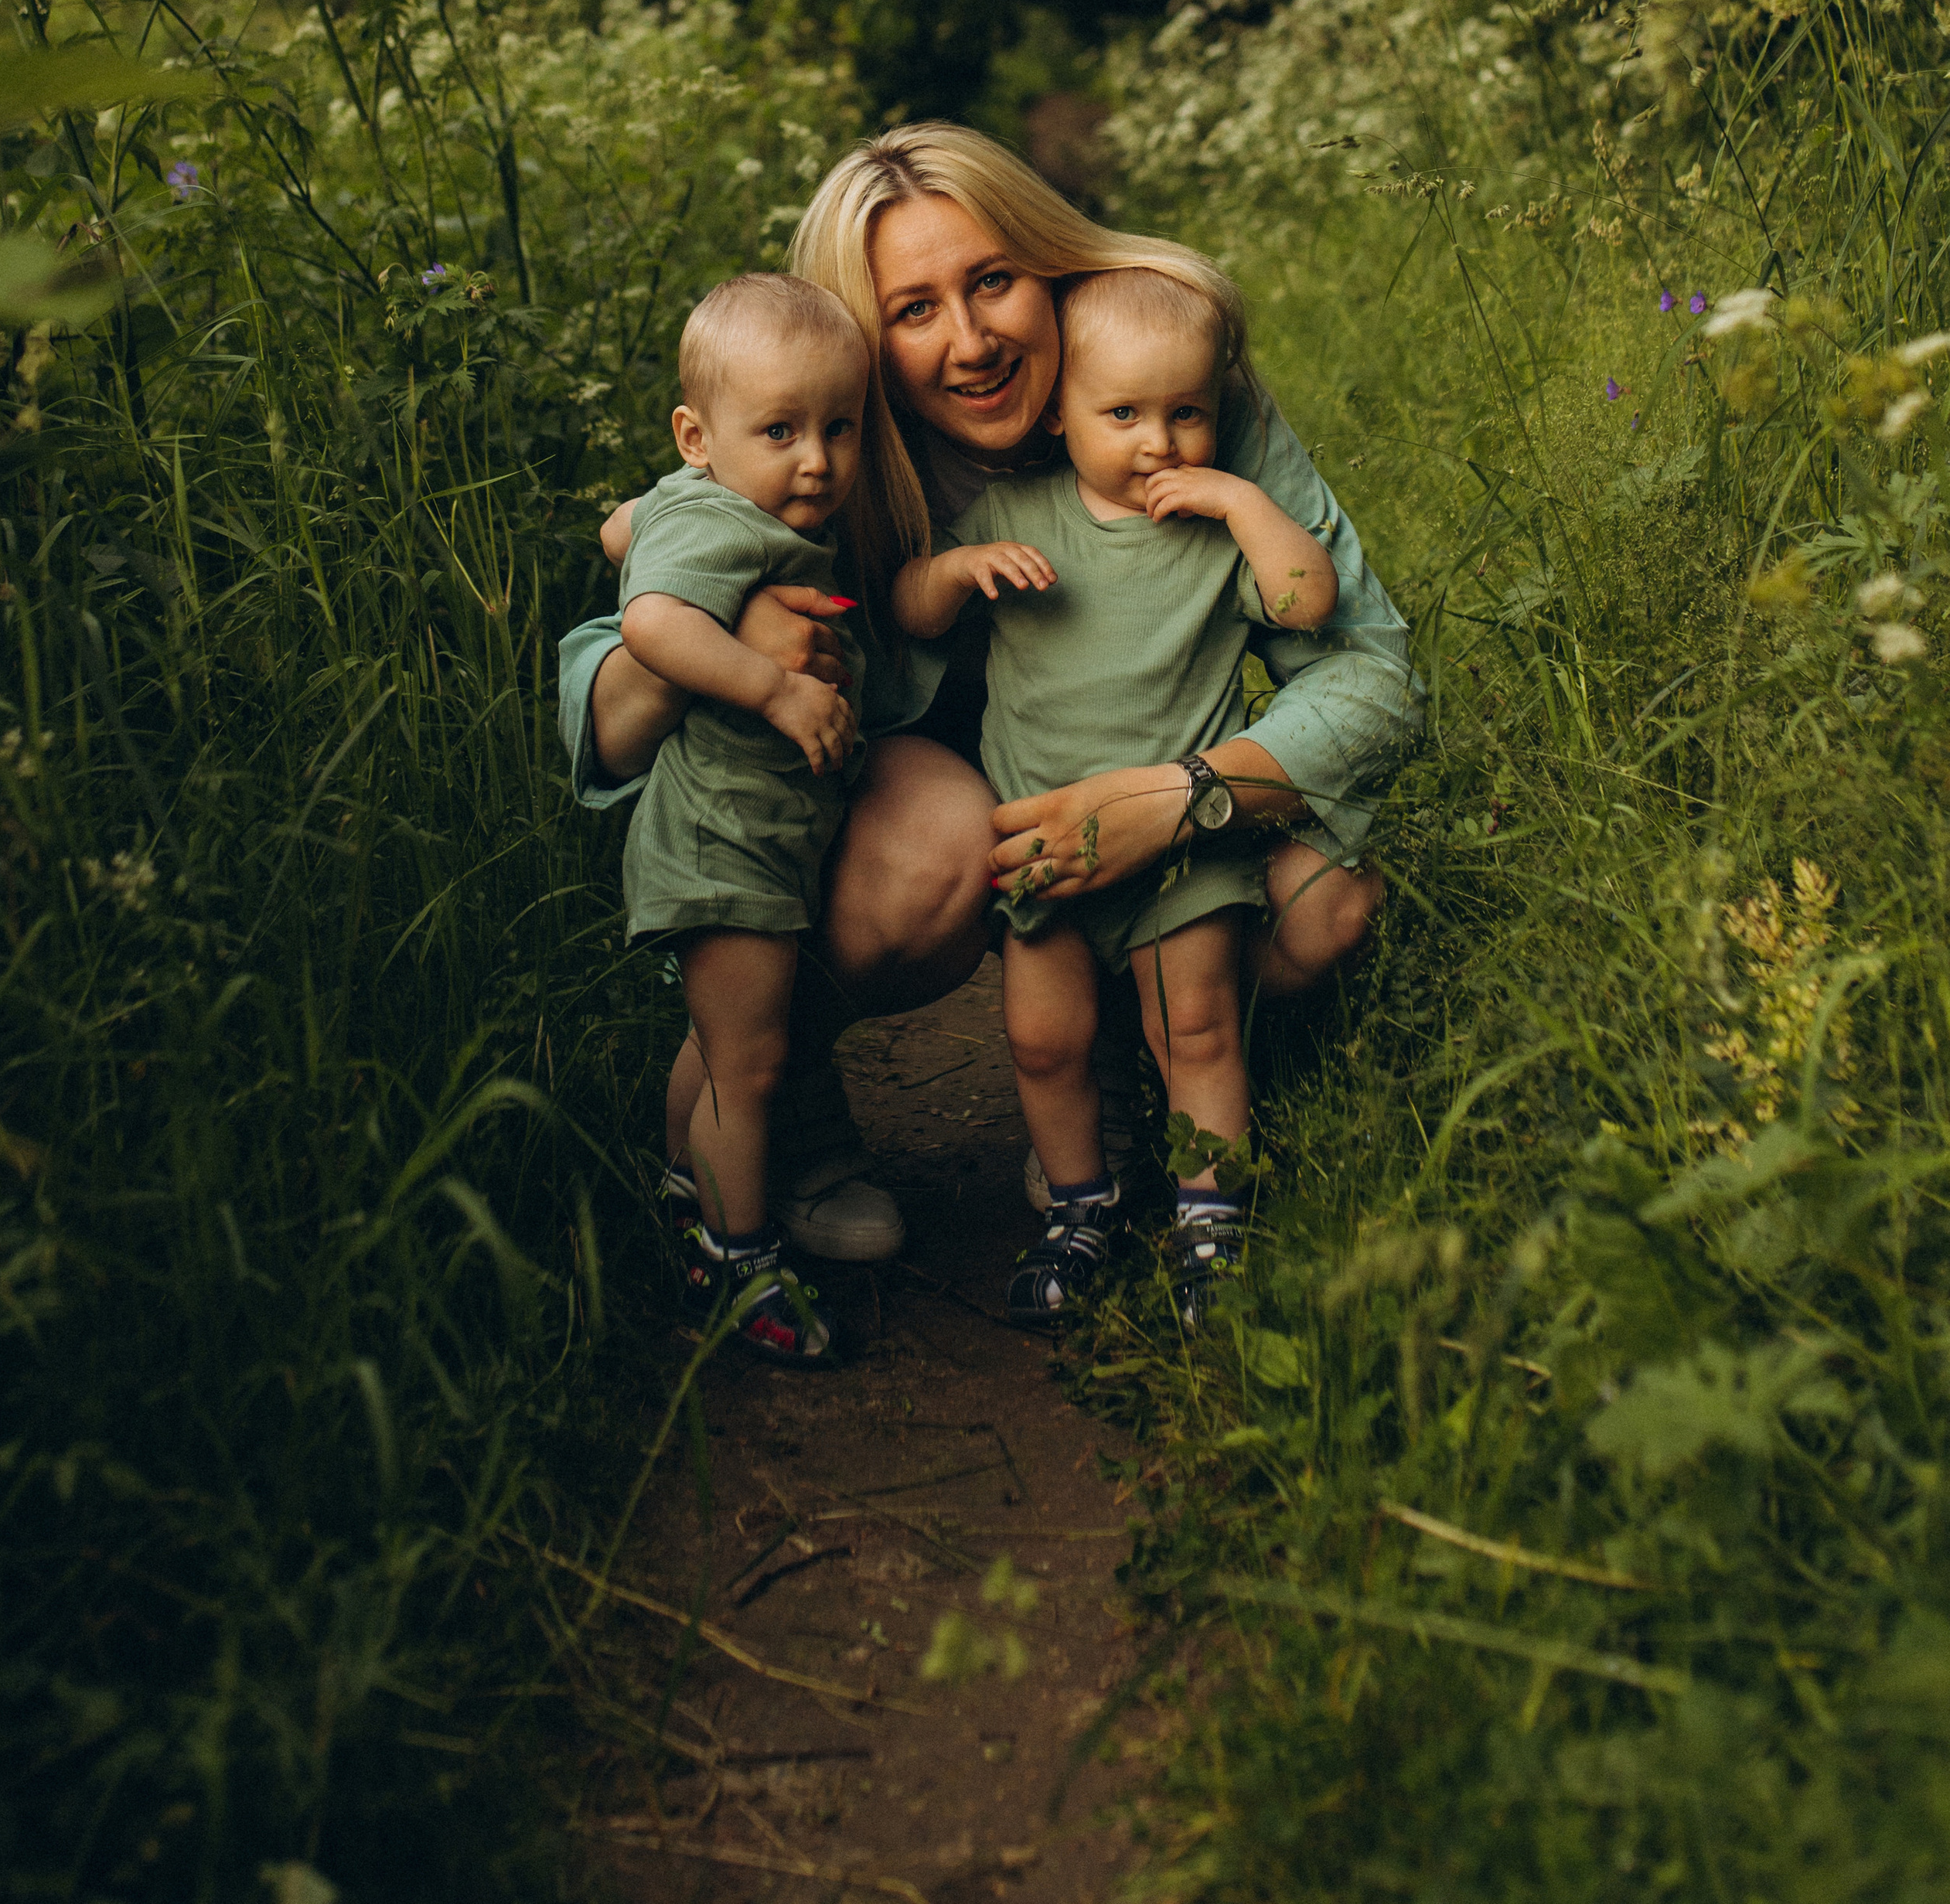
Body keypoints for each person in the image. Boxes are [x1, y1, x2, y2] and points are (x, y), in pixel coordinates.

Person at [557, 124, 1421, 1263]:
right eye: (913, 311)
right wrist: (732, 644)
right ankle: (769, 1090)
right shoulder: (827, 442)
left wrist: (1186, 794)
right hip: (924, 797)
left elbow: (1372, 673)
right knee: (937, 846)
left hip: (1135, 767)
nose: (969, 342)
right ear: (865, 343)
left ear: (1048, 268)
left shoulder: (1165, 395)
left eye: (994, 282)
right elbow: (613, 687)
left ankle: (1134, 1053)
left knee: (1329, 903)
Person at [892, 267, 1338, 1326]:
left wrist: (1241, 499)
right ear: (1058, 413)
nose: (1160, 443)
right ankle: (1080, 1208)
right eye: (1124, 413)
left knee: (1195, 1028)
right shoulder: (1015, 511)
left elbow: (1307, 601)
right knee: (1044, 1041)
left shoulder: (1215, 531)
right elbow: (909, 609)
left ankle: (1209, 1216)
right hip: (1045, 848)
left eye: (1187, 414)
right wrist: (956, 574)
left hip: (1180, 848)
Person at [612, 271, 910, 1363]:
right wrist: (776, 687)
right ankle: (733, 1266)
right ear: (697, 434)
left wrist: (660, 515)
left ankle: (682, 1190)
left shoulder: (713, 502)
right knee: (750, 1066)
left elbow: (620, 532)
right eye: (779, 428)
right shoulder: (721, 517)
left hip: (763, 842)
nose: (818, 459)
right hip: (723, 844)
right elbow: (649, 622)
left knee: (722, 1045)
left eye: (839, 427)